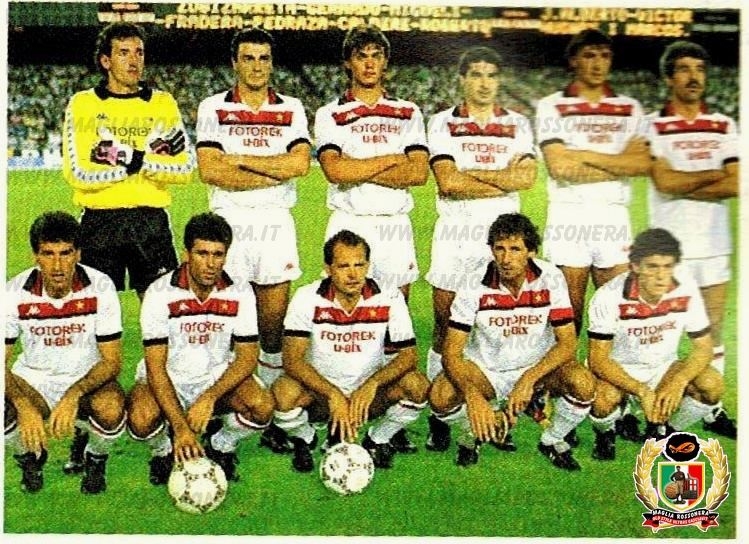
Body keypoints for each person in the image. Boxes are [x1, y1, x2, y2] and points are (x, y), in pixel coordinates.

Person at [195, 28, 311, 453]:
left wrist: (241, 159)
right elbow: (211, 170)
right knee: (226, 320)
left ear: (271, 63)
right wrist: (272, 169)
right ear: (235, 63)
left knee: (272, 324)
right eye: (248, 58)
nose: (257, 66)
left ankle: (275, 414)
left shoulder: (291, 108)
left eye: (264, 58)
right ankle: (226, 408)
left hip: (275, 223)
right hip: (229, 224)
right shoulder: (214, 107)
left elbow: (300, 165)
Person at [424, 46, 537, 452]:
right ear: (462, 79)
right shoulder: (442, 122)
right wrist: (501, 177)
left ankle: (500, 410)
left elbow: (526, 179)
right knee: (445, 325)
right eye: (476, 74)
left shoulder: (518, 123)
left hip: (503, 240)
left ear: (499, 80)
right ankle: (439, 416)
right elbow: (448, 183)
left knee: (499, 323)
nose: (484, 83)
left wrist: (470, 173)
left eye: (491, 75)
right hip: (455, 237)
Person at [429, 213, 595, 470]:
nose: (506, 259)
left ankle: (552, 440)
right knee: (440, 395)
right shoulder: (473, 282)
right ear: (491, 250)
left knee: (583, 383)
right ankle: (476, 431)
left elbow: (568, 343)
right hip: (487, 372)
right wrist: (473, 396)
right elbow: (451, 353)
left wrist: (528, 380)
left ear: (531, 251)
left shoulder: (550, 277)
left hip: (536, 371)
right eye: (500, 249)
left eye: (515, 249)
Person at [126, 213, 274, 484]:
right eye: (202, 253)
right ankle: (163, 450)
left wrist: (209, 397)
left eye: (218, 255)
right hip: (169, 378)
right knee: (141, 419)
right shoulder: (159, 293)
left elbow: (247, 358)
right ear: (186, 254)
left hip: (215, 378)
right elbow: (156, 367)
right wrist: (181, 428)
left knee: (262, 407)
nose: (210, 264)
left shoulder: (240, 291)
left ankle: (221, 445)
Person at [271, 230, 429, 472]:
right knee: (283, 393)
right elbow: (292, 360)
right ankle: (306, 438)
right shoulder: (306, 297)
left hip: (367, 399)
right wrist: (332, 394)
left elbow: (409, 356)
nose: (353, 274)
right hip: (321, 397)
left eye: (359, 265)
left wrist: (371, 385)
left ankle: (377, 440)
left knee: (417, 386)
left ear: (368, 265)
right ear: (328, 268)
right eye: (344, 266)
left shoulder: (389, 296)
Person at [61, 22, 194, 299]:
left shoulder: (162, 102)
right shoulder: (84, 103)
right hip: (100, 222)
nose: (134, 60)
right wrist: (146, 159)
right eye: (123, 53)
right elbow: (78, 173)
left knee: (162, 310)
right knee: (95, 311)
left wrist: (124, 156)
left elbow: (184, 169)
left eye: (139, 52)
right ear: (105, 61)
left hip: (150, 222)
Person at [646, 40, 737, 439]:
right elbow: (663, 182)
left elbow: (737, 182)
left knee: (713, 329)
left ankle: (711, 408)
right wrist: (712, 175)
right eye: (684, 69)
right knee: (660, 332)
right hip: (669, 252)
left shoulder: (724, 125)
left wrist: (682, 181)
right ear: (669, 77)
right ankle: (647, 409)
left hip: (714, 245)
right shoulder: (652, 125)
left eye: (699, 68)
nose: (694, 76)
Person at [535, 29, 650, 336]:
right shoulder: (552, 105)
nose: (598, 63)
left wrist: (582, 154)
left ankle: (604, 369)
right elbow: (560, 167)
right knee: (567, 314)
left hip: (613, 216)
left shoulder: (630, 108)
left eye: (605, 55)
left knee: (617, 312)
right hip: (568, 215)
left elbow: (641, 164)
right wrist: (618, 163)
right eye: (589, 55)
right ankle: (565, 369)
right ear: (573, 60)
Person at [5, 211, 126, 494]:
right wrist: (23, 404)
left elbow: (112, 362)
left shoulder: (100, 286)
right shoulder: (13, 292)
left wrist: (74, 394)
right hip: (34, 381)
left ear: (78, 254)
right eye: (48, 254)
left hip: (86, 378)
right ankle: (28, 458)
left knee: (111, 407)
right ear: (35, 256)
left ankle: (95, 458)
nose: (57, 265)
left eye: (66, 253)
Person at [314, 24, 429, 302]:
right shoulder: (329, 113)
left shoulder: (408, 111)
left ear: (385, 62)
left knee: (395, 313)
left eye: (376, 56)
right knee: (343, 311)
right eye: (361, 56)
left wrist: (356, 167)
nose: (369, 64)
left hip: (394, 225)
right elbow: (335, 171)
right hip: (349, 222)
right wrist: (393, 159)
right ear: (348, 63)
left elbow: (418, 172)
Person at [587, 229, 722, 461]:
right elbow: (598, 359)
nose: (661, 276)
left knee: (711, 384)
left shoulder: (686, 289)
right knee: (603, 399)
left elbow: (704, 347)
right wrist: (641, 390)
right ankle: (605, 433)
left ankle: (666, 430)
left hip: (663, 368)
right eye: (652, 267)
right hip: (618, 370)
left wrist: (678, 381)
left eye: (667, 267)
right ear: (635, 266)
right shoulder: (608, 296)